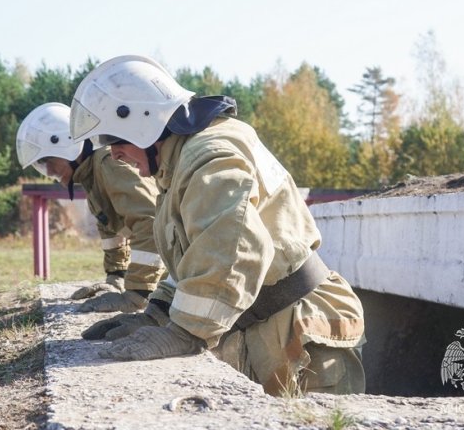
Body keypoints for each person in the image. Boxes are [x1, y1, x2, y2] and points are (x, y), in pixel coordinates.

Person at [70, 55, 366, 396]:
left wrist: (184, 331)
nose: (115, 155)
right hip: (270, 327)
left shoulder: (210, 154)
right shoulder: (181, 161)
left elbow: (234, 247)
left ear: (143, 122)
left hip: (302, 337)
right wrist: (157, 312)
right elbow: (196, 255)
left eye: (115, 140)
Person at [16, 102, 167, 312]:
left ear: (68, 145)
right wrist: (116, 276)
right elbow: (111, 229)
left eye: (49, 160)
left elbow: (151, 223)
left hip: (182, 265)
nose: (49, 170)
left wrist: (139, 291)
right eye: (42, 165)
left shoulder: (109, 163)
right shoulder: (90, 173)